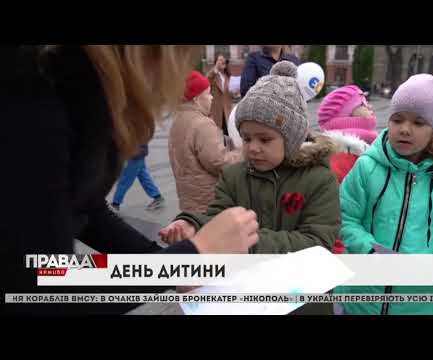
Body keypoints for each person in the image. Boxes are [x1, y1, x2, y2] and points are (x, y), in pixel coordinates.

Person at [1, 45, 259, 315]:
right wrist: (187, 258)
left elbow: (84, 206)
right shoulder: (31, 100)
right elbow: (42, 285)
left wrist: (162, 261)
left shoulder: (76, 83)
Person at [160, 61, 341, 315]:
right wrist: (191, 224)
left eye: (264, 139)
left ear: (292, 139)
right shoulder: (234, 176)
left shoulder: (319, 179)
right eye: (246, 138)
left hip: (301, 302)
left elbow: (318, 243)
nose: (253, 147)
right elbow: (216, 217)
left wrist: (247, 242)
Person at [335, 74, 433, 315]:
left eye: (418, 123)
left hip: (415, 304)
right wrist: (369, 250)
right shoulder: (366, 167)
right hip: (361, 299)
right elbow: (344, 219)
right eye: (397, 119)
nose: (405, 130)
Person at [169, 70, 242, 213]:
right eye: (208, 93)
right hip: (209, 202)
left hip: (188, 201)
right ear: (196, 99)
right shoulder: (201, 124)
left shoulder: (178, 120)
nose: (212, 98)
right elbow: (220, 162)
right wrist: (242, 151)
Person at [317, 85, 378, 253]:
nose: (370, 107)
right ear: (345, 114)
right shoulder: (344, 156)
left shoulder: (363, 150)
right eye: (363, 104)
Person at [110, 143, 165, 212]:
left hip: (134, 154)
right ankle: (157, 197)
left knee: (124, 181)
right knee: (143, 177)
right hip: (139, 152)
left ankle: (115, 204)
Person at [206, 53, 233, 136]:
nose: (223, 61)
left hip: (227, 110)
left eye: (223, 60)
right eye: (220, 60)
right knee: (216, 135)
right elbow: (206, 80)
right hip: (216, 110)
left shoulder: (228, 77)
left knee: (228, 134)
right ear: (215, 63)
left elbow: (230, 94)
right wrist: (215, 69)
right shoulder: (213, 75)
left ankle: (228, 148)